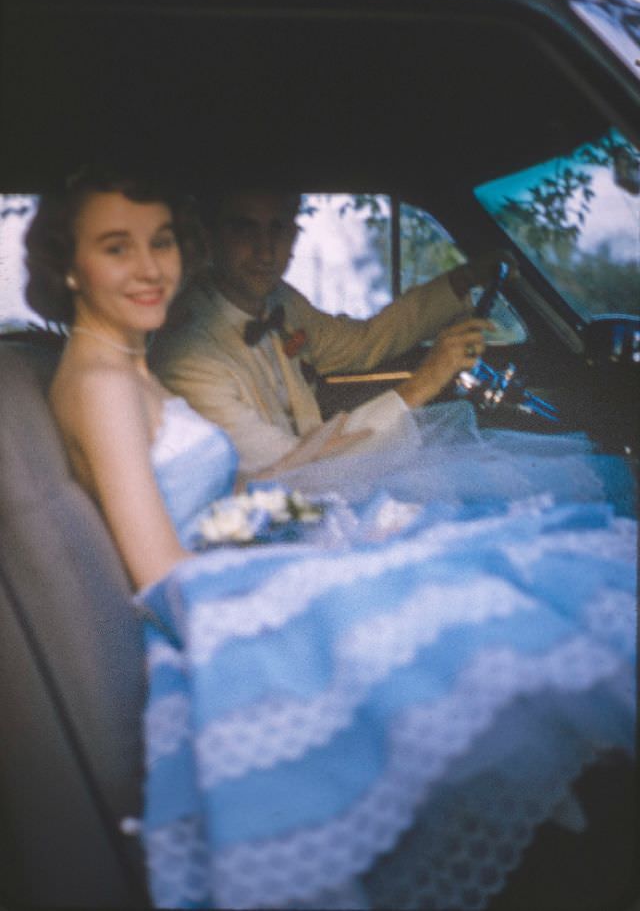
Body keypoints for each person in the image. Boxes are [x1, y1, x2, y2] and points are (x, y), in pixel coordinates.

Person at [28, 169, 636, 911]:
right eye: (118, 247)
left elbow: (232, 497)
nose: (152, 268)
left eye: (161, 242)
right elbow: (164, 570)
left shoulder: (121, 362)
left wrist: (316, 518)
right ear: (67, 261)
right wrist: (310, 553)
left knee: (467, 560)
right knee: (492, 598)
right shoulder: (104, 382)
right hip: (214, 591)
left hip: (237, 541)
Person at [149, 189, 509, 473]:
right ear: (210, 238)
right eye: (244, 228)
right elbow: (295, 469)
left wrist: (462, 280)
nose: (265, 249)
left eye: (278, 228)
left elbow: (364, 342)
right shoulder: (186, 356)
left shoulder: (283, 302)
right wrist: (427, 380)